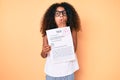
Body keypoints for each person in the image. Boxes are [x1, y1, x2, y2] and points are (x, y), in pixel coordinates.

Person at [40, 2, 81, 80]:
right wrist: (44, 51)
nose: (61, 16)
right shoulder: (48, 33)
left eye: (64, 13)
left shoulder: (72, 30)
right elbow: (43, 55)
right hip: (52, 72)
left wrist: (64, 29)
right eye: (57, 14)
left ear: (68, 16)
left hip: (68, 70)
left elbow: (74, 49)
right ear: (52, 17)